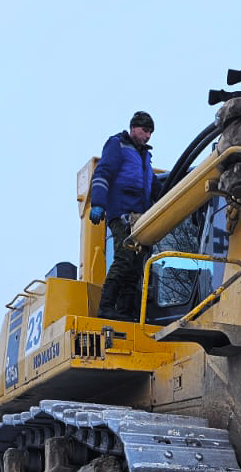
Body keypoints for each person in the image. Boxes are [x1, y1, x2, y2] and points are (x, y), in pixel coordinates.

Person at [89, 111, 162, 320]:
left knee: (137, 264)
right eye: (145, 131)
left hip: (141, 217)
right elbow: (103, 173)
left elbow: (153, 186)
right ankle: (106, 307)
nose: (148, 136)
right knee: (124, 257)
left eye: (151, 133)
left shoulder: (144, 157)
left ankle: (124, 312)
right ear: (133, 128)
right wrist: (98, 204)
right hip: (122, 213)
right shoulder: (117, 145)